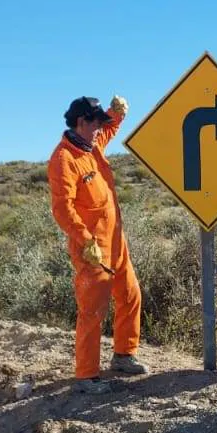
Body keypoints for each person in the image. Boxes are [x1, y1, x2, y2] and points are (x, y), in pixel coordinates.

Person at [48, 95, 147, 389]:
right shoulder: (64, 159)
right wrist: (84, 239)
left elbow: (109, 129)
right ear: (81, 122)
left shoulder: (92, 145)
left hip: (116, 242)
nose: (100, 129)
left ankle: (124, 355)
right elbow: (62, 208)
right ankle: (86, 375)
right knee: (92, 311)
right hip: (91, 249)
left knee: (130, 296)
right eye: (96, 123)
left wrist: (115, 114)